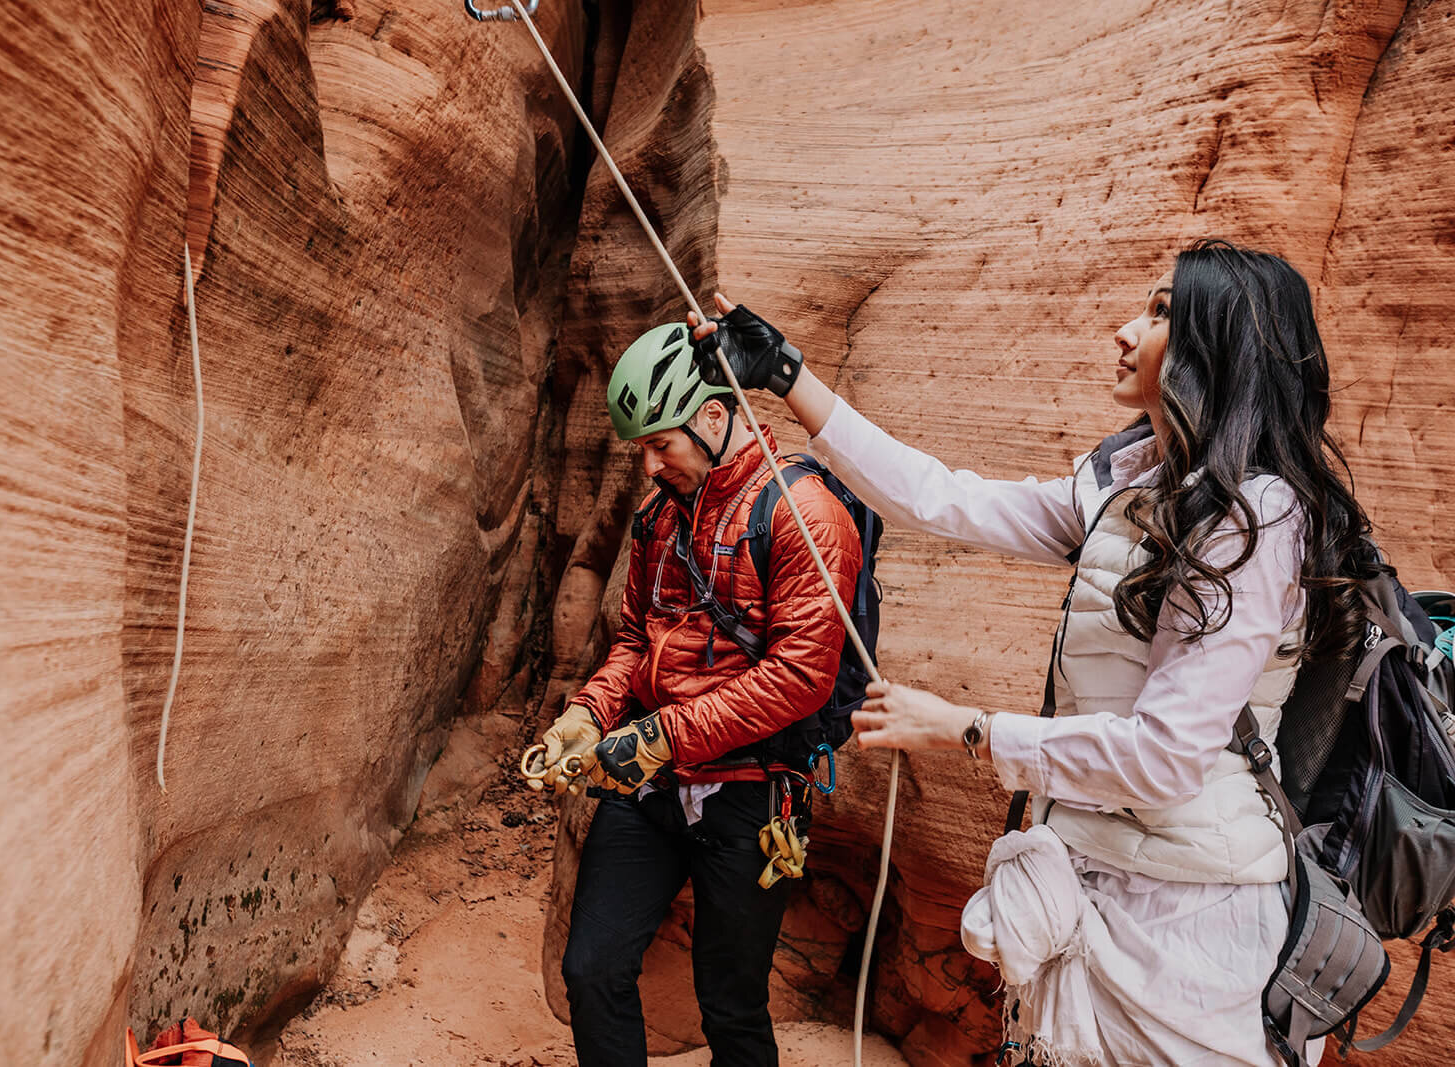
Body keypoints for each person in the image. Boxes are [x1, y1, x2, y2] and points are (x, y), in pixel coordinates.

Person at [689, 239, 1383, 1066]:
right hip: (1104, 888)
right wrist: (788, 376)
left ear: (1218, 346)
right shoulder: (1132, 489)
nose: (1126, 330)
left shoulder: (1254, 516)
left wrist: (967, 727)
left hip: (1192, 926)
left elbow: (1164, 757)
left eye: (1162, 313)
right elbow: (945, 497)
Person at [526, 321, 862, 1066]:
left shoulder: (806, 518)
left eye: (659, 443)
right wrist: (589, 713)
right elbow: (636, 637)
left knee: (732, 1006)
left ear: (714, 417)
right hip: (653, 781)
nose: (648, 466)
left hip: (751, 791)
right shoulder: (663, 516)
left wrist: (662, 736)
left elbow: (800, 676)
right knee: (591, 967)